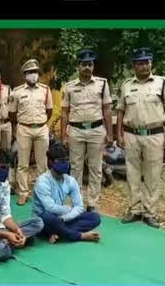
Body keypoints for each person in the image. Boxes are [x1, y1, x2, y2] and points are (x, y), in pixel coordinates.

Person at [116, 47, 165, 228]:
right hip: (131, 134)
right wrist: (119, 135)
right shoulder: (126, 85)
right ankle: (134, 210)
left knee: (153, 175)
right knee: (132, 174)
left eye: (147, 62)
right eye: (140, 63)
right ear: (134, 66)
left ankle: (150, 213)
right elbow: (121, 110)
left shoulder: (162, 83)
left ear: (151, 63)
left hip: (154, 135)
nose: (144, 66)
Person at [60, 49, 113, 212]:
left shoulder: (102, 83)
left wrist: (110, 133)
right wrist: (63, 134)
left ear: (93, 66)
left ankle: (92, 203)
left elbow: (107, 110)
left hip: (96, 130)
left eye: (90, 64)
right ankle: (77, 202)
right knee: (75, 168)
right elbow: (64, 112)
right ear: (78, 67)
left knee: (95, 168)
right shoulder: (69, 87)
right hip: (76, 131)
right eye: (84, 65)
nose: (87, 68)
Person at [33, 142, 102, 243]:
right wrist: (68, 209)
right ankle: (80, 236)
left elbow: (79, 207)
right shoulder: (42, 181)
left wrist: (64, 218)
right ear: (51, 162)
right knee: (48, 217)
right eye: (60, 161)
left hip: (61, 218)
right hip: (44, 220)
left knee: (94, 217)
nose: (65, 163)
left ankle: (58, 233)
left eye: (66, 160)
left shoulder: (70, 181)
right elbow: (50, 208)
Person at [9, 59, 53, 205]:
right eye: (29, 72)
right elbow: (12, 113)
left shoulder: (45, 90)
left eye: (35, 72)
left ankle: (42, 193)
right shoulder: (17, 91)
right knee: (23, 164)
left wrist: (40, 122)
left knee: (42, 164)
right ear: (24, 75)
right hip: (24, 129)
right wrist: (22, 125)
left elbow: (49, 110)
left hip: (41, 128)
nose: (33, 75)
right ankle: (23, 193)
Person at [0, 64, 14, 183]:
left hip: (6, 123)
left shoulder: (8, 89)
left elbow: (13, 108)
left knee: (7, 152)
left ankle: (8, 180)